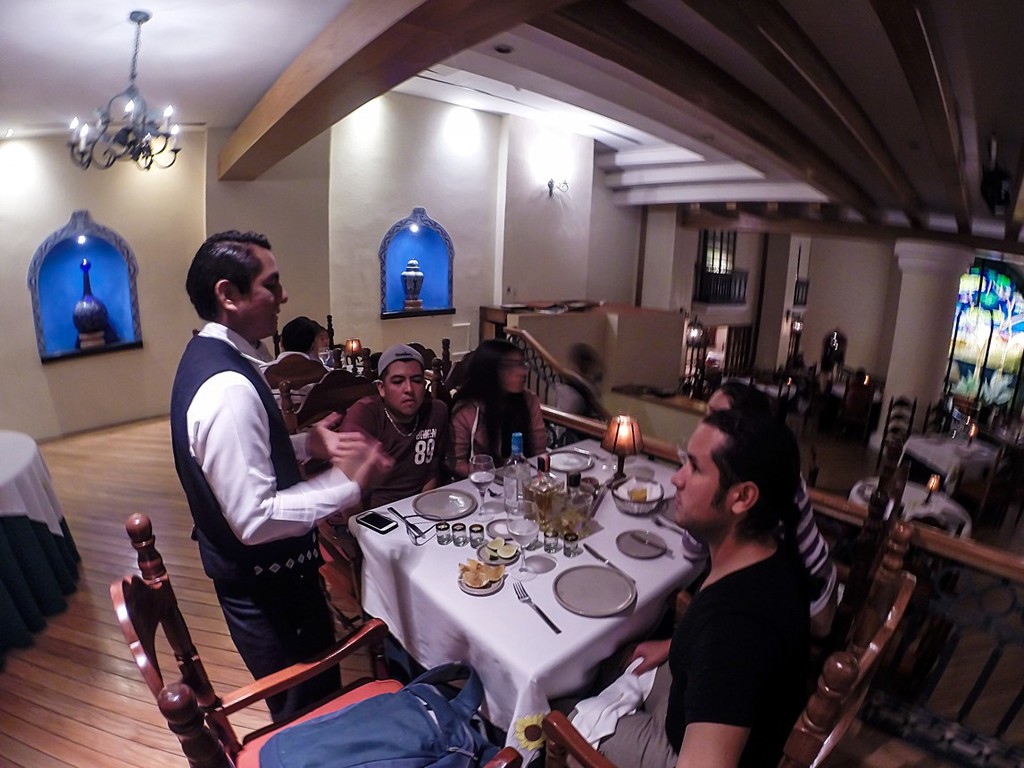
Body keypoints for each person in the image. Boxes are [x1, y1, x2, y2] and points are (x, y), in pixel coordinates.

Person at [170, 230, 392, 722]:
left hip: (267, 584)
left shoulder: (215, 358)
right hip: (270, 595)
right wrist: (348, 484)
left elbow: (239, 457)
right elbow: (254, 519)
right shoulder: (227, 389)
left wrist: (308, 444)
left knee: (310, 709)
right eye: (271, 285)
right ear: (228, 295)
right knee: (308, 714)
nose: (284, 296)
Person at [597, 411, 810, 767]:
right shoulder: (766, 552)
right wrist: (673, 645)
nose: (676, 479)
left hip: (679, 749)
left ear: (742, 497)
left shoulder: (735, 628)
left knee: (557, 716)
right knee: (608, 665)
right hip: (687, 708)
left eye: (694, 468)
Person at [701, 381, 838, 637]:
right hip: (813, 576)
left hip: (811, 602)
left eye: (718, 418)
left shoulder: (749, 481)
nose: (704, 424)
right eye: (706, 413)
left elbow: (693, 548)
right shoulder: (771, 460)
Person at [340, 343, 449, 511]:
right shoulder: (364, 415)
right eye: (398, 381)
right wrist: (358, 524)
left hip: (418, 508)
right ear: (381, 388)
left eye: (417, 381)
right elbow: (346, 489)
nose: (409, 389)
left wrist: (424, 512)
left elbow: (431, 471)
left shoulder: (437, 411)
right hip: (371, 513)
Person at [448, 339, 547, 477]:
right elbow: (457, 464)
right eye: (510, 366)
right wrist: (492, 476)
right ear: (489, 370)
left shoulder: (529, 400)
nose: (523, 372)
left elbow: (539, 451)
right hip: (482, 481)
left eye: (521, 364)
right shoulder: (467, 409)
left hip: (523, 477)